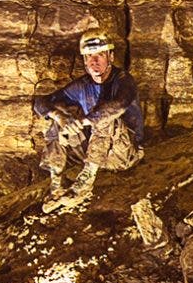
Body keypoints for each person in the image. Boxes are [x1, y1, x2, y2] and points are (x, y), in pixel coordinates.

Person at [30, 30, 144, 208]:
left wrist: (84, 121)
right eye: (89, 57)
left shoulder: (123, 80)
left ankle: (85, 182)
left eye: (99, 55)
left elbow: (119, 105)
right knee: (60, 112)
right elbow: (40, 102)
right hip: (94, 151)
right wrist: (60, 117)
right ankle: (56, 182)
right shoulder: (82, 85)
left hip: (124, 154)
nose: (94, 61)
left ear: (110, 57)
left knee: (105, 114)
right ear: (84, 61)